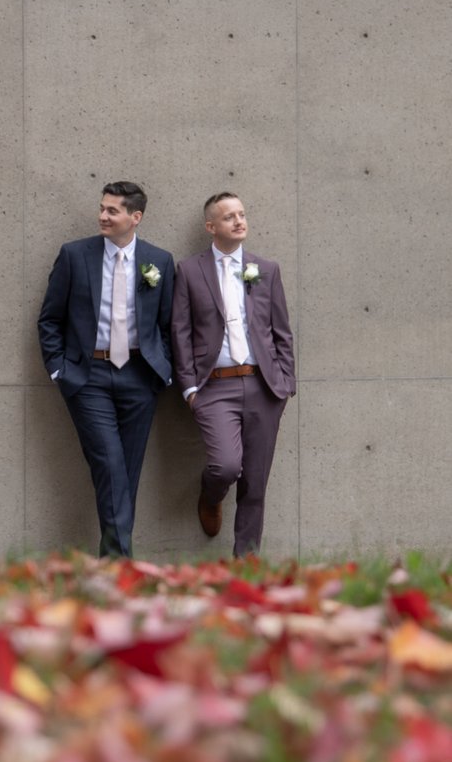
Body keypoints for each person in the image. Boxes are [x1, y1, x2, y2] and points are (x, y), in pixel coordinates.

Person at [38, 181, 174, 558]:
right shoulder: (73, 255)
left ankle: (114, 561)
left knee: (127, 471)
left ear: (136, 217)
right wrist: (59, 370)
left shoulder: (159, 261)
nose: (102, 216)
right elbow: (49, 319)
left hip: (140, 377)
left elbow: (167, 325)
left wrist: (160, 372)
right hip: (87, 377)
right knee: (110, 463)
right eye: (102, 208)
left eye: (112, 210)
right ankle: (118, 563)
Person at [171, 191, 295, 557]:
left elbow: (281, 331)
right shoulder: (189, 271)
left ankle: (247, 564)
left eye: (242, 214)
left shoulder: (266, 269)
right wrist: (190, 388)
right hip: (214, 388)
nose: (239, 221)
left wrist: (285, 383)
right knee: (225, 466)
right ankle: (211, 496)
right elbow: (179, 331)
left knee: (255, 483)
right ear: (211, 227)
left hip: (264, 387)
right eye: (229, 217)